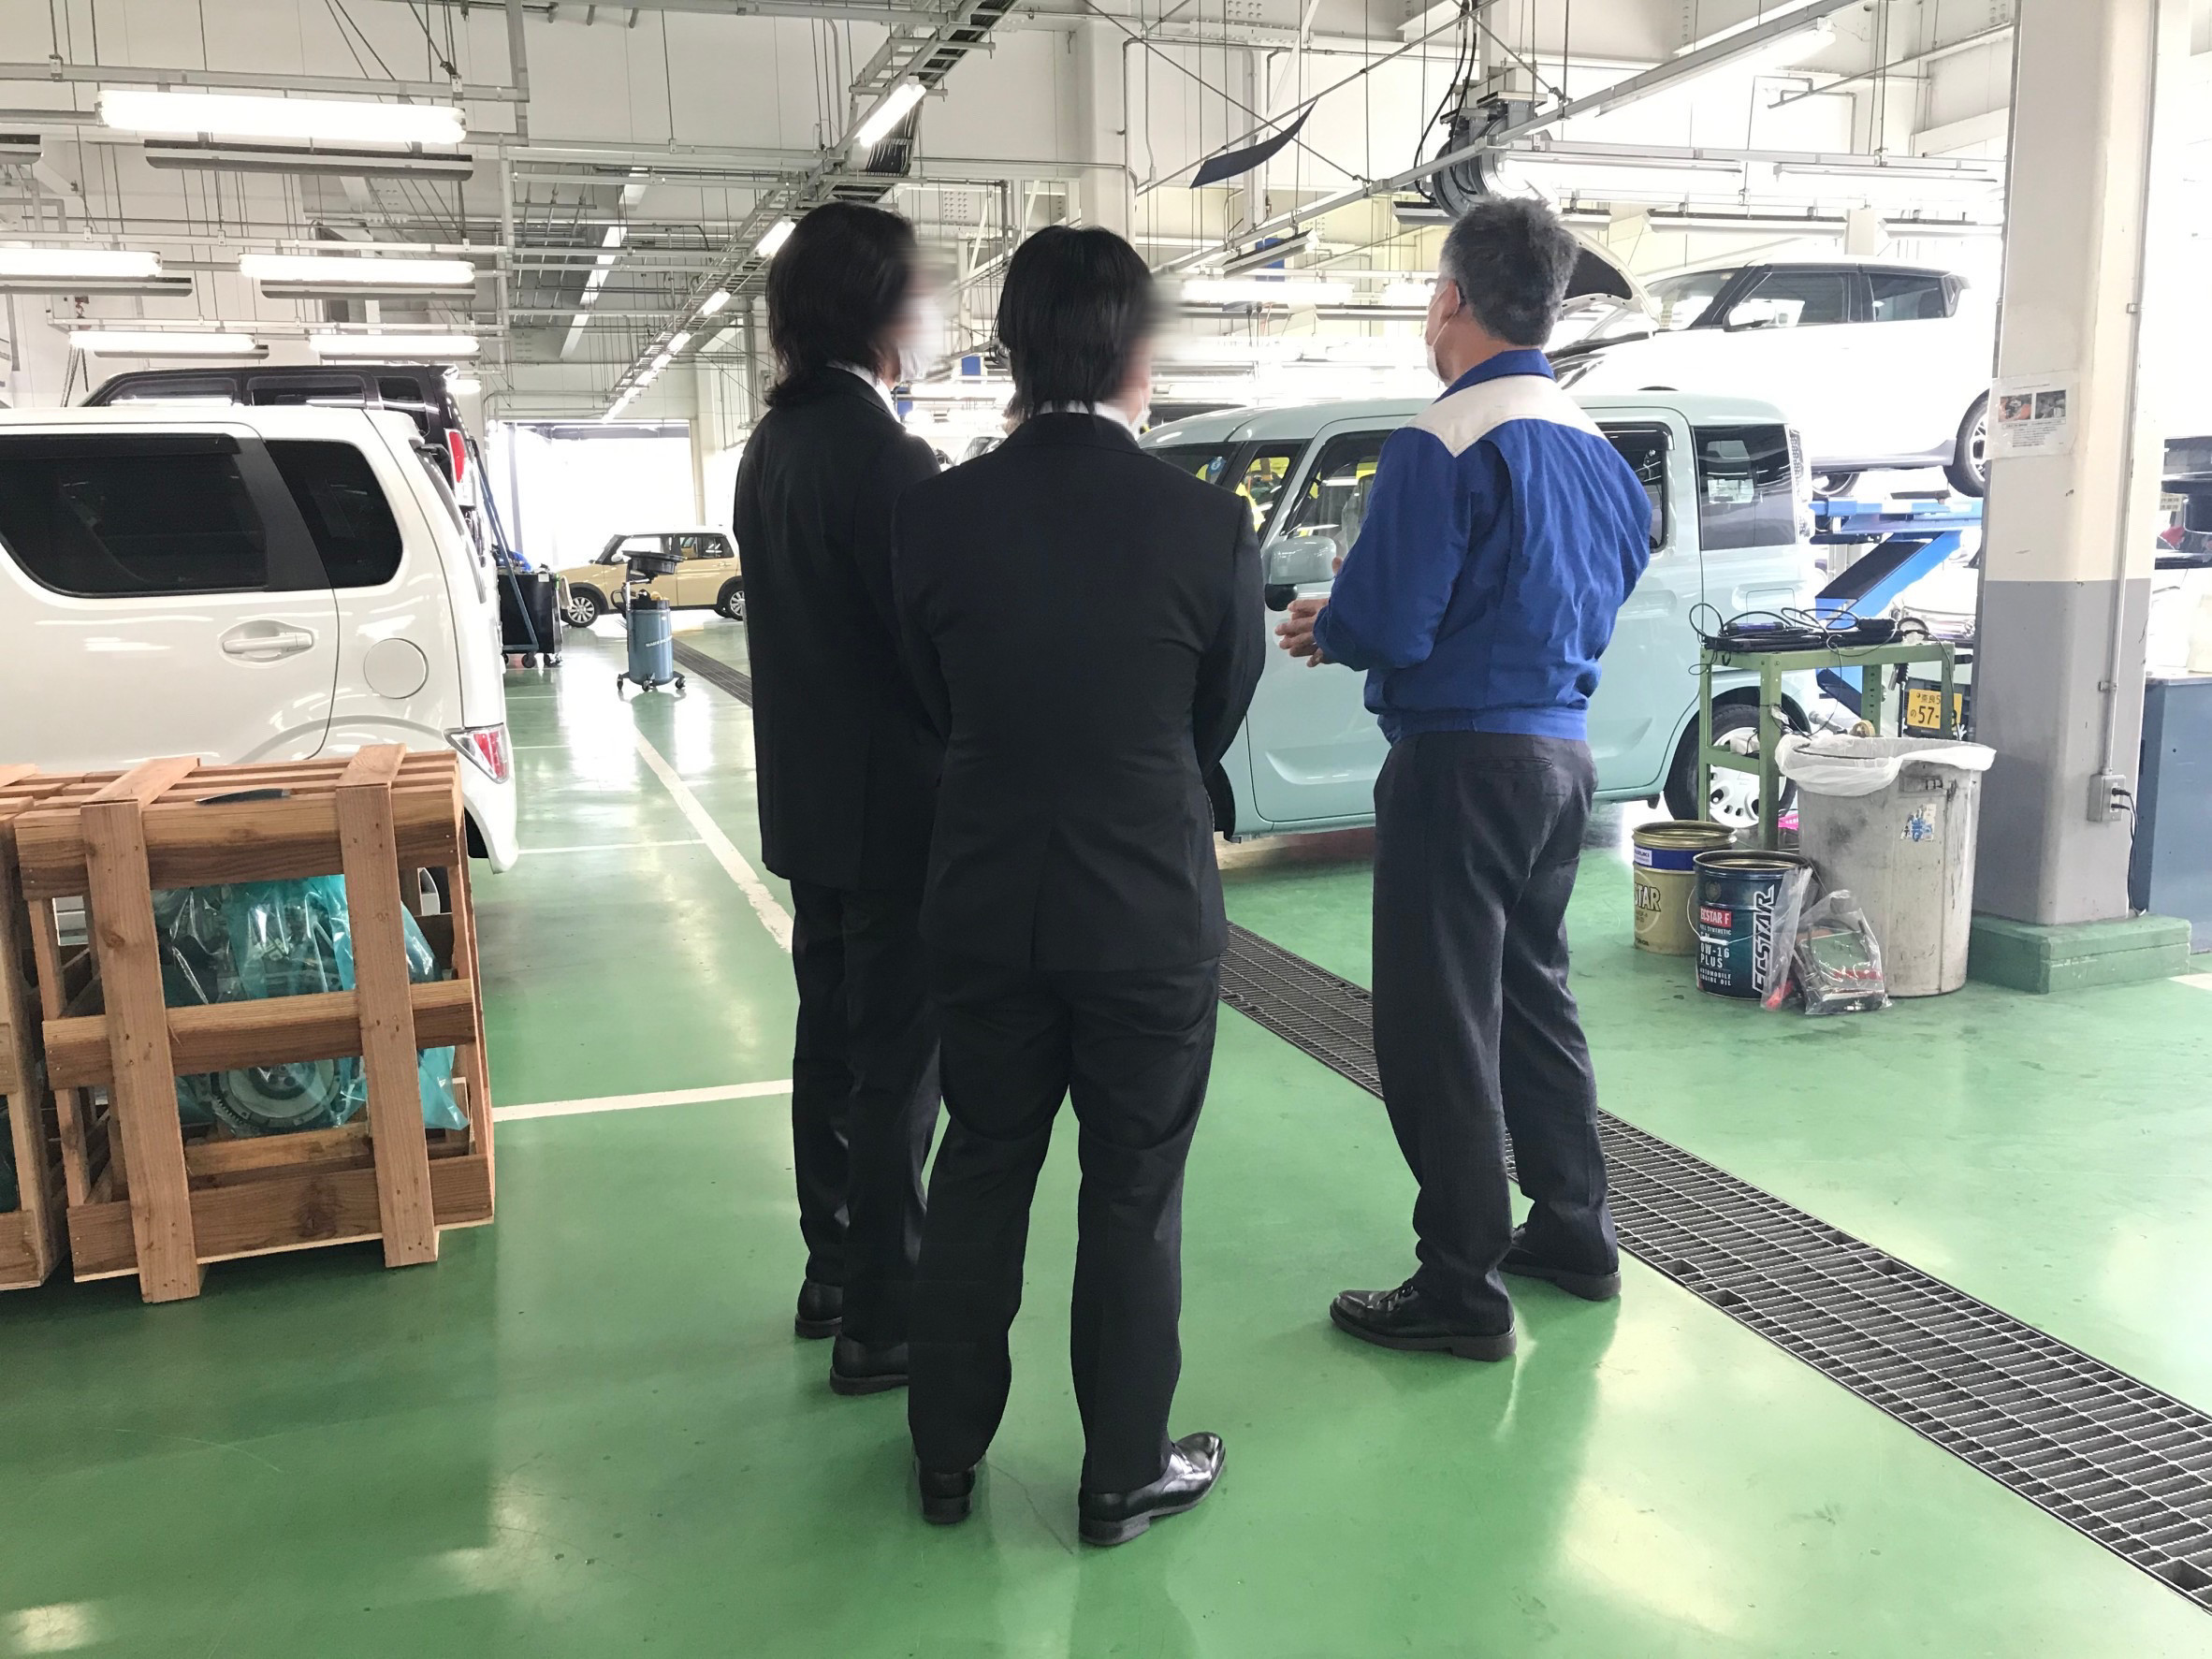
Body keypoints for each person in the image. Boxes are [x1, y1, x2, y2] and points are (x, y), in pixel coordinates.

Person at [893, 226, 1263, 1544]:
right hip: (1148, 907)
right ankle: (1120, 1476)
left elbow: (932, 699)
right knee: (1133, 1189)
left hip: (985, 896)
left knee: (982, 1165)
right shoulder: (1207, 523)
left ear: (1014, 352)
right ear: (1137, 355)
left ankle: (945, 1457)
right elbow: (1216, 708)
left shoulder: (934, 517)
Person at [1274, 196, 1654, 1361]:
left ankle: (1460, 1283)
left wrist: (1338, 620)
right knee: (1534, 997)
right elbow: (1596, 578)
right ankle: (1575, 1230)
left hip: (1458, 764)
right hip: (1562, 761)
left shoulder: (1441, 440)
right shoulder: (1600, 454)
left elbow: (1393, 619)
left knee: (1439, 1025)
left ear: (1449, 300)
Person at [732, 201, 948, 1396]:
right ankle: (886, 1315)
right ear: (878, 313)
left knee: (830, 1040)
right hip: (895, 811)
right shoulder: (888, 459)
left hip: (809, 801)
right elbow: (927, 648)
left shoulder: (772, 447)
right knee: (898, 1065)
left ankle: (831, 1267)